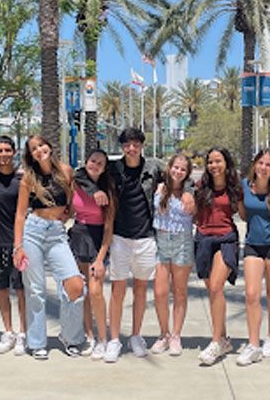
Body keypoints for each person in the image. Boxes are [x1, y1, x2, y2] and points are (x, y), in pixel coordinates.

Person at [78, 128, 193, 363]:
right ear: (121, 147)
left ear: (142, 145)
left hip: (146, 239)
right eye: (127, 144)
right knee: (117, 291)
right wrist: (96, 190)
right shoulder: (113, 168)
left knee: (140, 290)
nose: (131, 148)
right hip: (120, 238)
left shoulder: (153, 167)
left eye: (136, 144)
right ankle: (114, 340)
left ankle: (136, 336)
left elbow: (179, 176)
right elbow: (81, 175)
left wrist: (189, 191)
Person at [13, 135, 85, 360]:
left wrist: (66, 216)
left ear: (50, 147)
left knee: (74, 284)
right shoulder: (28, 178)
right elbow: (19, 214)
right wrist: (18, 247)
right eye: (34, 149)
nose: (39, 150)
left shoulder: (65, 171)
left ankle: (70, 336)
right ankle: (36, 342)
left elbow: (71, 202)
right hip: (33, 232)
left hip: (56, 233)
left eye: (42, 145)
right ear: (30, 154)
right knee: (35, 290)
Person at [195, 147, 244, 366]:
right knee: (212, 292)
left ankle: (215, 342)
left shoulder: (236, 187)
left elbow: (244, 213)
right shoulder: (200, 187)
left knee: (216, 287)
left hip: (226, 239)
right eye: (211, 162)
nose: (214, 165)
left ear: (226, 163)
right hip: (204, 239)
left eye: (218, 161)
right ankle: (223, 338)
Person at [236, 149, 270, 366]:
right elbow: (244, 214)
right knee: (251, 294)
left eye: (268, 165)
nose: (264, 168)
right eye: (261, 163)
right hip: (252, 245)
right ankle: (253, 343)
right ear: (255, 164)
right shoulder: (244, 186)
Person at [0, 136, 27, 355]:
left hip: (19, 243)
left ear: (14, 152)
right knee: (1, 288)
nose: (4, 154)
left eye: (7, 150)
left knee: (21, 290)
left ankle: (22, 333)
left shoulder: (24, 179)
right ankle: (8, 331)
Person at [70, 149, 116, 360]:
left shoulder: (108, 190)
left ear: (105, 168)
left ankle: (103, 339)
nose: (94, 165)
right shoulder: (76, 182)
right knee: (83, 290)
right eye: (92, 160)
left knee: (96, 291)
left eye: (99, 163)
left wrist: (100, 258)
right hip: (78, 236)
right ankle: (89, 335)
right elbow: (70, 211)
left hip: (99, 240)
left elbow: (108, 228)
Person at [151, 153, 194, 357]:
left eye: (183, 169)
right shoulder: (158, 188)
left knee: (179, 291)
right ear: (169, 167)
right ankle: (164, 334)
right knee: (160, 292)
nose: (178, 172)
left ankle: (176, 335)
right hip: (161, 241)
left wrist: (189, 192)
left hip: (182, 241)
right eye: (176, 167)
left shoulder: (189, 193)